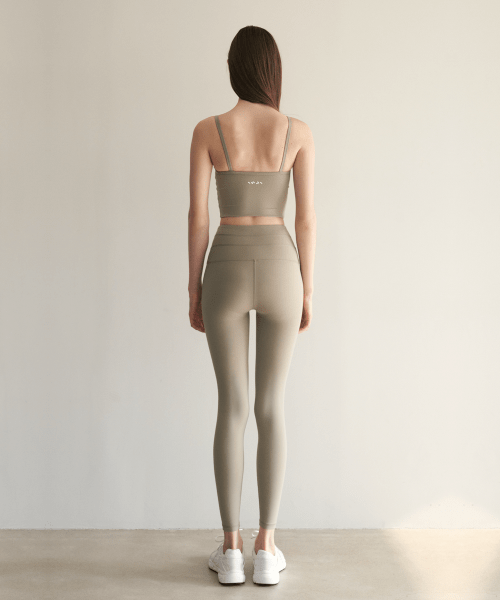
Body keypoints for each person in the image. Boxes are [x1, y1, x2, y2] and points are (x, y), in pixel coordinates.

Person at [188, 25, 316, 585]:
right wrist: (306, 288)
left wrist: (193, 287)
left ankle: (231, 549)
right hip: (282, 265)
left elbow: (197, 216)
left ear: (234, 69)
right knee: (271, 406)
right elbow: (306, 218)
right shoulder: (298, 132)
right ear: (273, 70)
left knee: (232, 407)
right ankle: (267, 546)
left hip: (226, 265)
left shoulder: (209, 129)